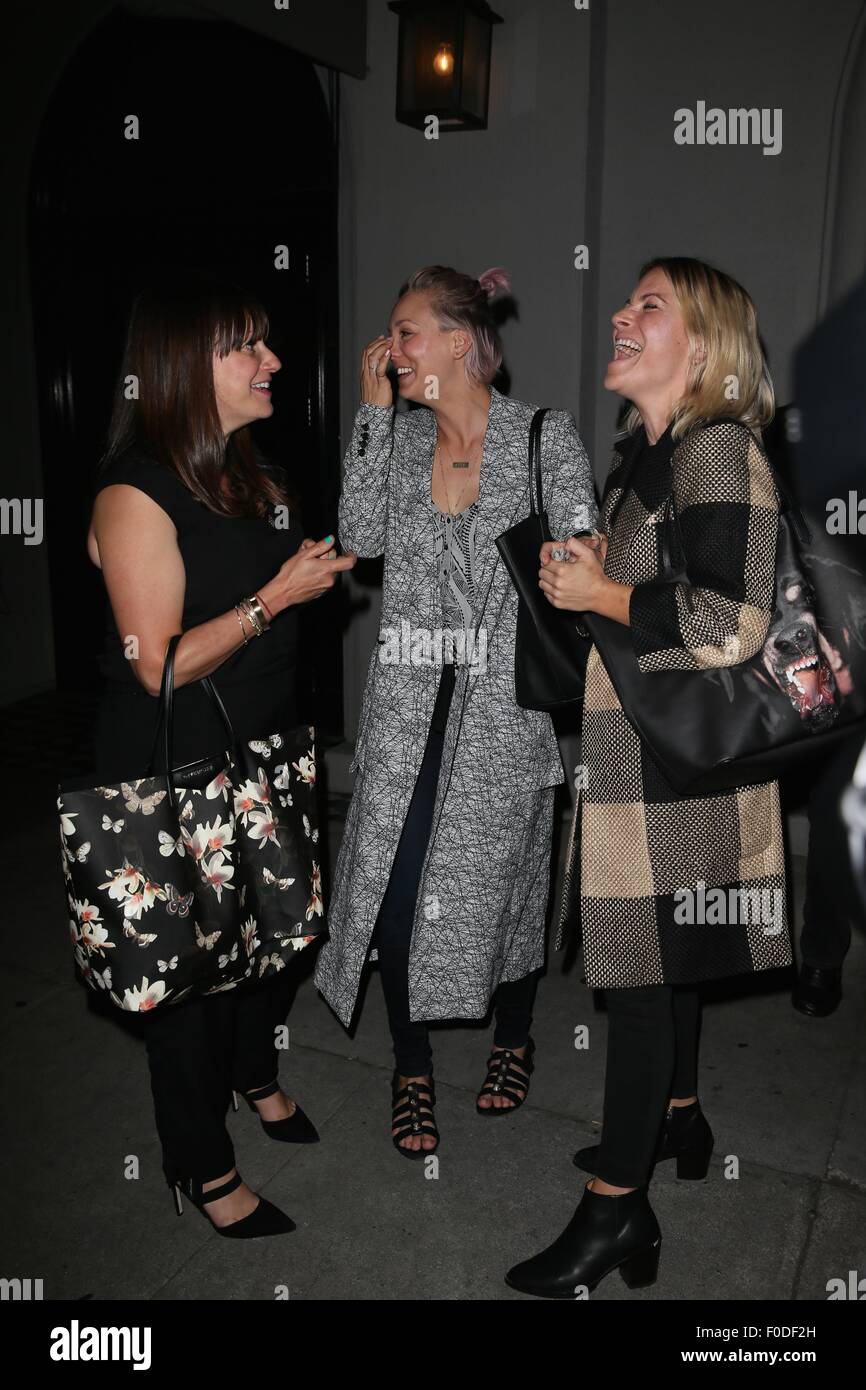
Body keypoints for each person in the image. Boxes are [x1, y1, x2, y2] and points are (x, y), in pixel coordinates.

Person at [505, 256, 792, 1297]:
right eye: (625, 302)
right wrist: (579, 573)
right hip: (640, 763)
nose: (620, 316)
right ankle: (679, 1116)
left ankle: (614, 1213)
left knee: (632, 981)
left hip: (675, 775)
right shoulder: (649, 456)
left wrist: (605, 593)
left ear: (703, 349)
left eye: (648, 306)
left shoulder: (717, 448)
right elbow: (639, 592)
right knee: (657, 966)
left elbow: (727, 618)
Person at [87, 274, 355, 1236]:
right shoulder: (135, 492)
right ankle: (199, 1165)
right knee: (187, 981)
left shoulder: (251, 474)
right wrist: (276, 599)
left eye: (267, 343)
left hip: (267, 751)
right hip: (174, 771)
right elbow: (157, 666)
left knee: (275, 940)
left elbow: (269, 599)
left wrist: (306, 581)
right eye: (246, 345)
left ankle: (256, 1074)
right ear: (181, 367)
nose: (272, 360)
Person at [314, 265, 597, 1156]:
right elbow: (357, 541)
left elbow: (585, 552)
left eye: (405, 333)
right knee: (396, 901)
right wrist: (368, 415)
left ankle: (513, 1038)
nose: (388, 350)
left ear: (461, 346)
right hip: (406, 712)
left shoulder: (545, 437)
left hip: (503, 719)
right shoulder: (393, 443)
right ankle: (411, 1067)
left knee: (502, 898)